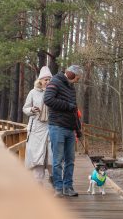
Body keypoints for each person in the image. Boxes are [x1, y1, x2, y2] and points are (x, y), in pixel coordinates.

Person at [44, 65, 82, 197]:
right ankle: (59, 188)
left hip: (70, 128)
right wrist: (67, 106)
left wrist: (78, 129)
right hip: (57, 126)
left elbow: (74, 111)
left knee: (70, 160)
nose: (77, 80)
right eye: (77, 77)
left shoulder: (71, 87)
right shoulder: (55, 81)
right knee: (58, 160)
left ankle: (68, 187)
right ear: (71, 74)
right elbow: (48, 99)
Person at [23, 66, 53, 185]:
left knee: (52, 158)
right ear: (40, 80)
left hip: (51, 128)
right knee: (37, 159)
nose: (47, 82)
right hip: (36, 130)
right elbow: (25, 108)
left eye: (49, 79)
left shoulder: (54, 92)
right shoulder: (33, 92)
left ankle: (55, 184)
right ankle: (38, 185)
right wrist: (32, 109)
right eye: (45, 79)